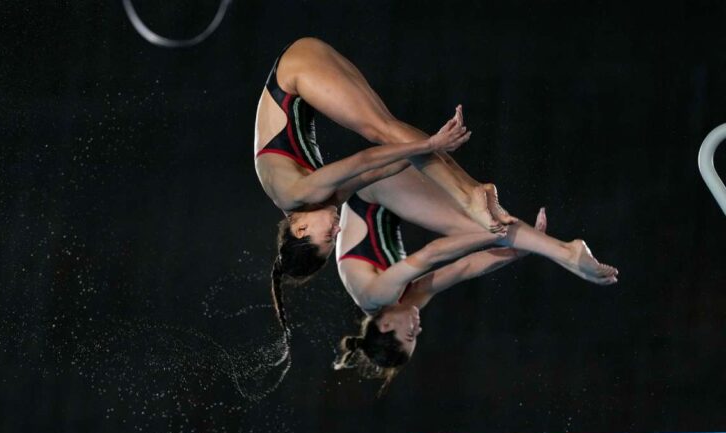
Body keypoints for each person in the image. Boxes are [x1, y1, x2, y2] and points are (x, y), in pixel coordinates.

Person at [255, 38, 516, 337]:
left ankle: (471, 195)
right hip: (302, 66)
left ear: (300, 230)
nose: (337, 231)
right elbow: (380, 170)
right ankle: (474, 191)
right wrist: (424, 152)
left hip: (293, 72)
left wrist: (429, 145)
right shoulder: (319, 202)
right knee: (390, 131)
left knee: (379, 129)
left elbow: (364, 159)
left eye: (327, 235)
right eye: (334, 238)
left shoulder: (296, 194)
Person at [331, 168, 618, 392]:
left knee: (477, 225)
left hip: (372, 189)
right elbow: (465, 268)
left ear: (385, 325)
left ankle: (566, 252)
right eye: (416, 337)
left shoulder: (374, 296)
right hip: (391, 194)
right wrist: (517, 251)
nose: (417, 328)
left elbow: (434, 252)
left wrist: (493, 235)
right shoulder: (404, 303)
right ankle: (557, 249)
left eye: (409, 334)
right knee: (482, 216)